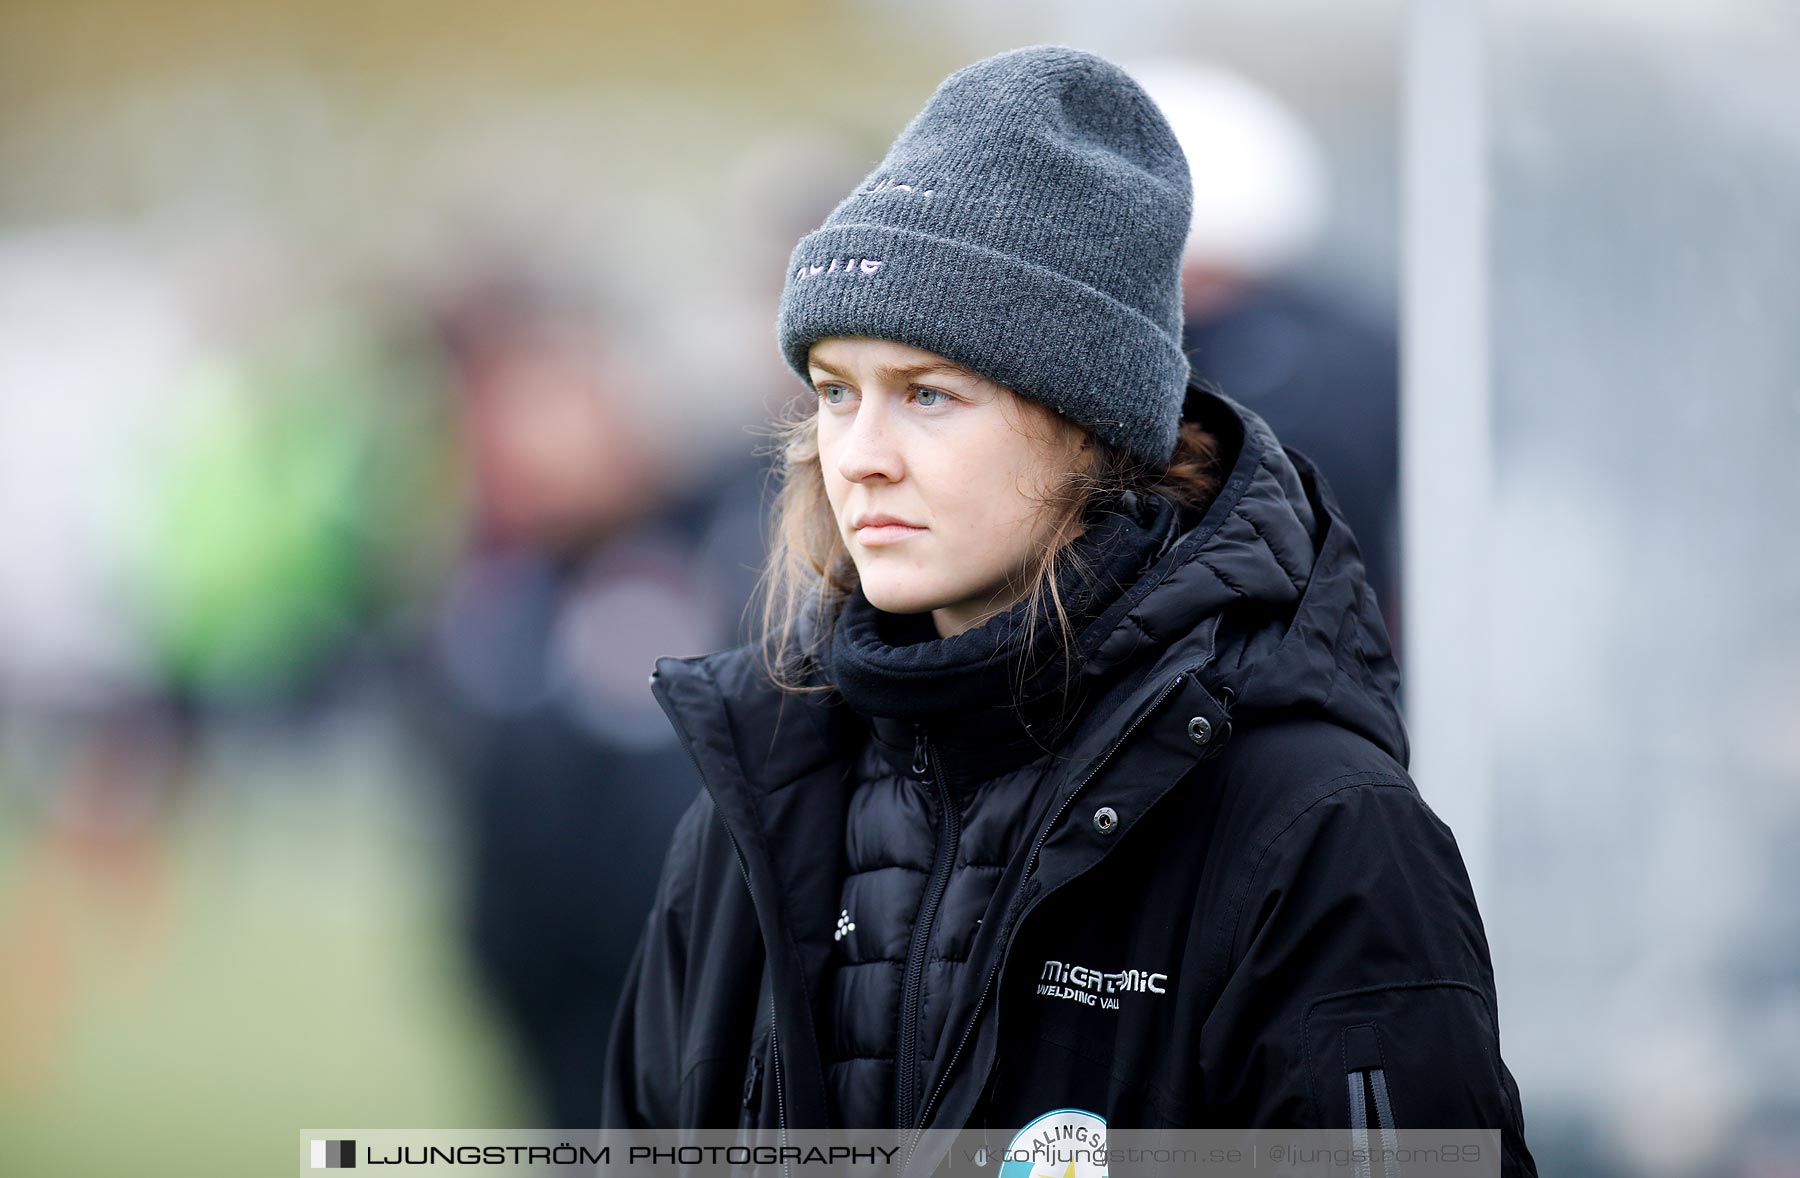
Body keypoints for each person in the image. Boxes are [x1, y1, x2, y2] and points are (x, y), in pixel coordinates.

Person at [602, 44, 1538, 1178]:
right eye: (837, 391)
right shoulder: (761, 797)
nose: (861, 457)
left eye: (929, 394)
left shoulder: (1318, 831)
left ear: (1092, 426)